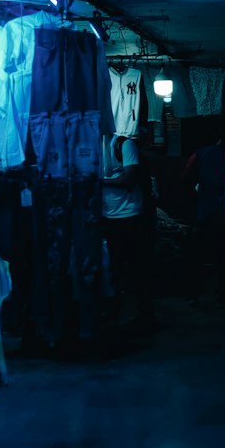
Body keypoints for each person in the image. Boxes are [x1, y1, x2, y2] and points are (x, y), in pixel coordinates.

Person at [101, 133, 157, 335]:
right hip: (108, 217)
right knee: (113, 270)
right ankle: (116, 316)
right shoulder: (91, 146)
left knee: (137, 270)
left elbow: (130, 178)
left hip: (131, 216)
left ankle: (144, 316)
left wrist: (101, 182)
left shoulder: (124, 144)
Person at [181, 130, 225, 307]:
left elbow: (185, 176)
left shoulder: (201, 153)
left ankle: (193, 293)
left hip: (205, 211)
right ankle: (223, 294)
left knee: (199, 254)